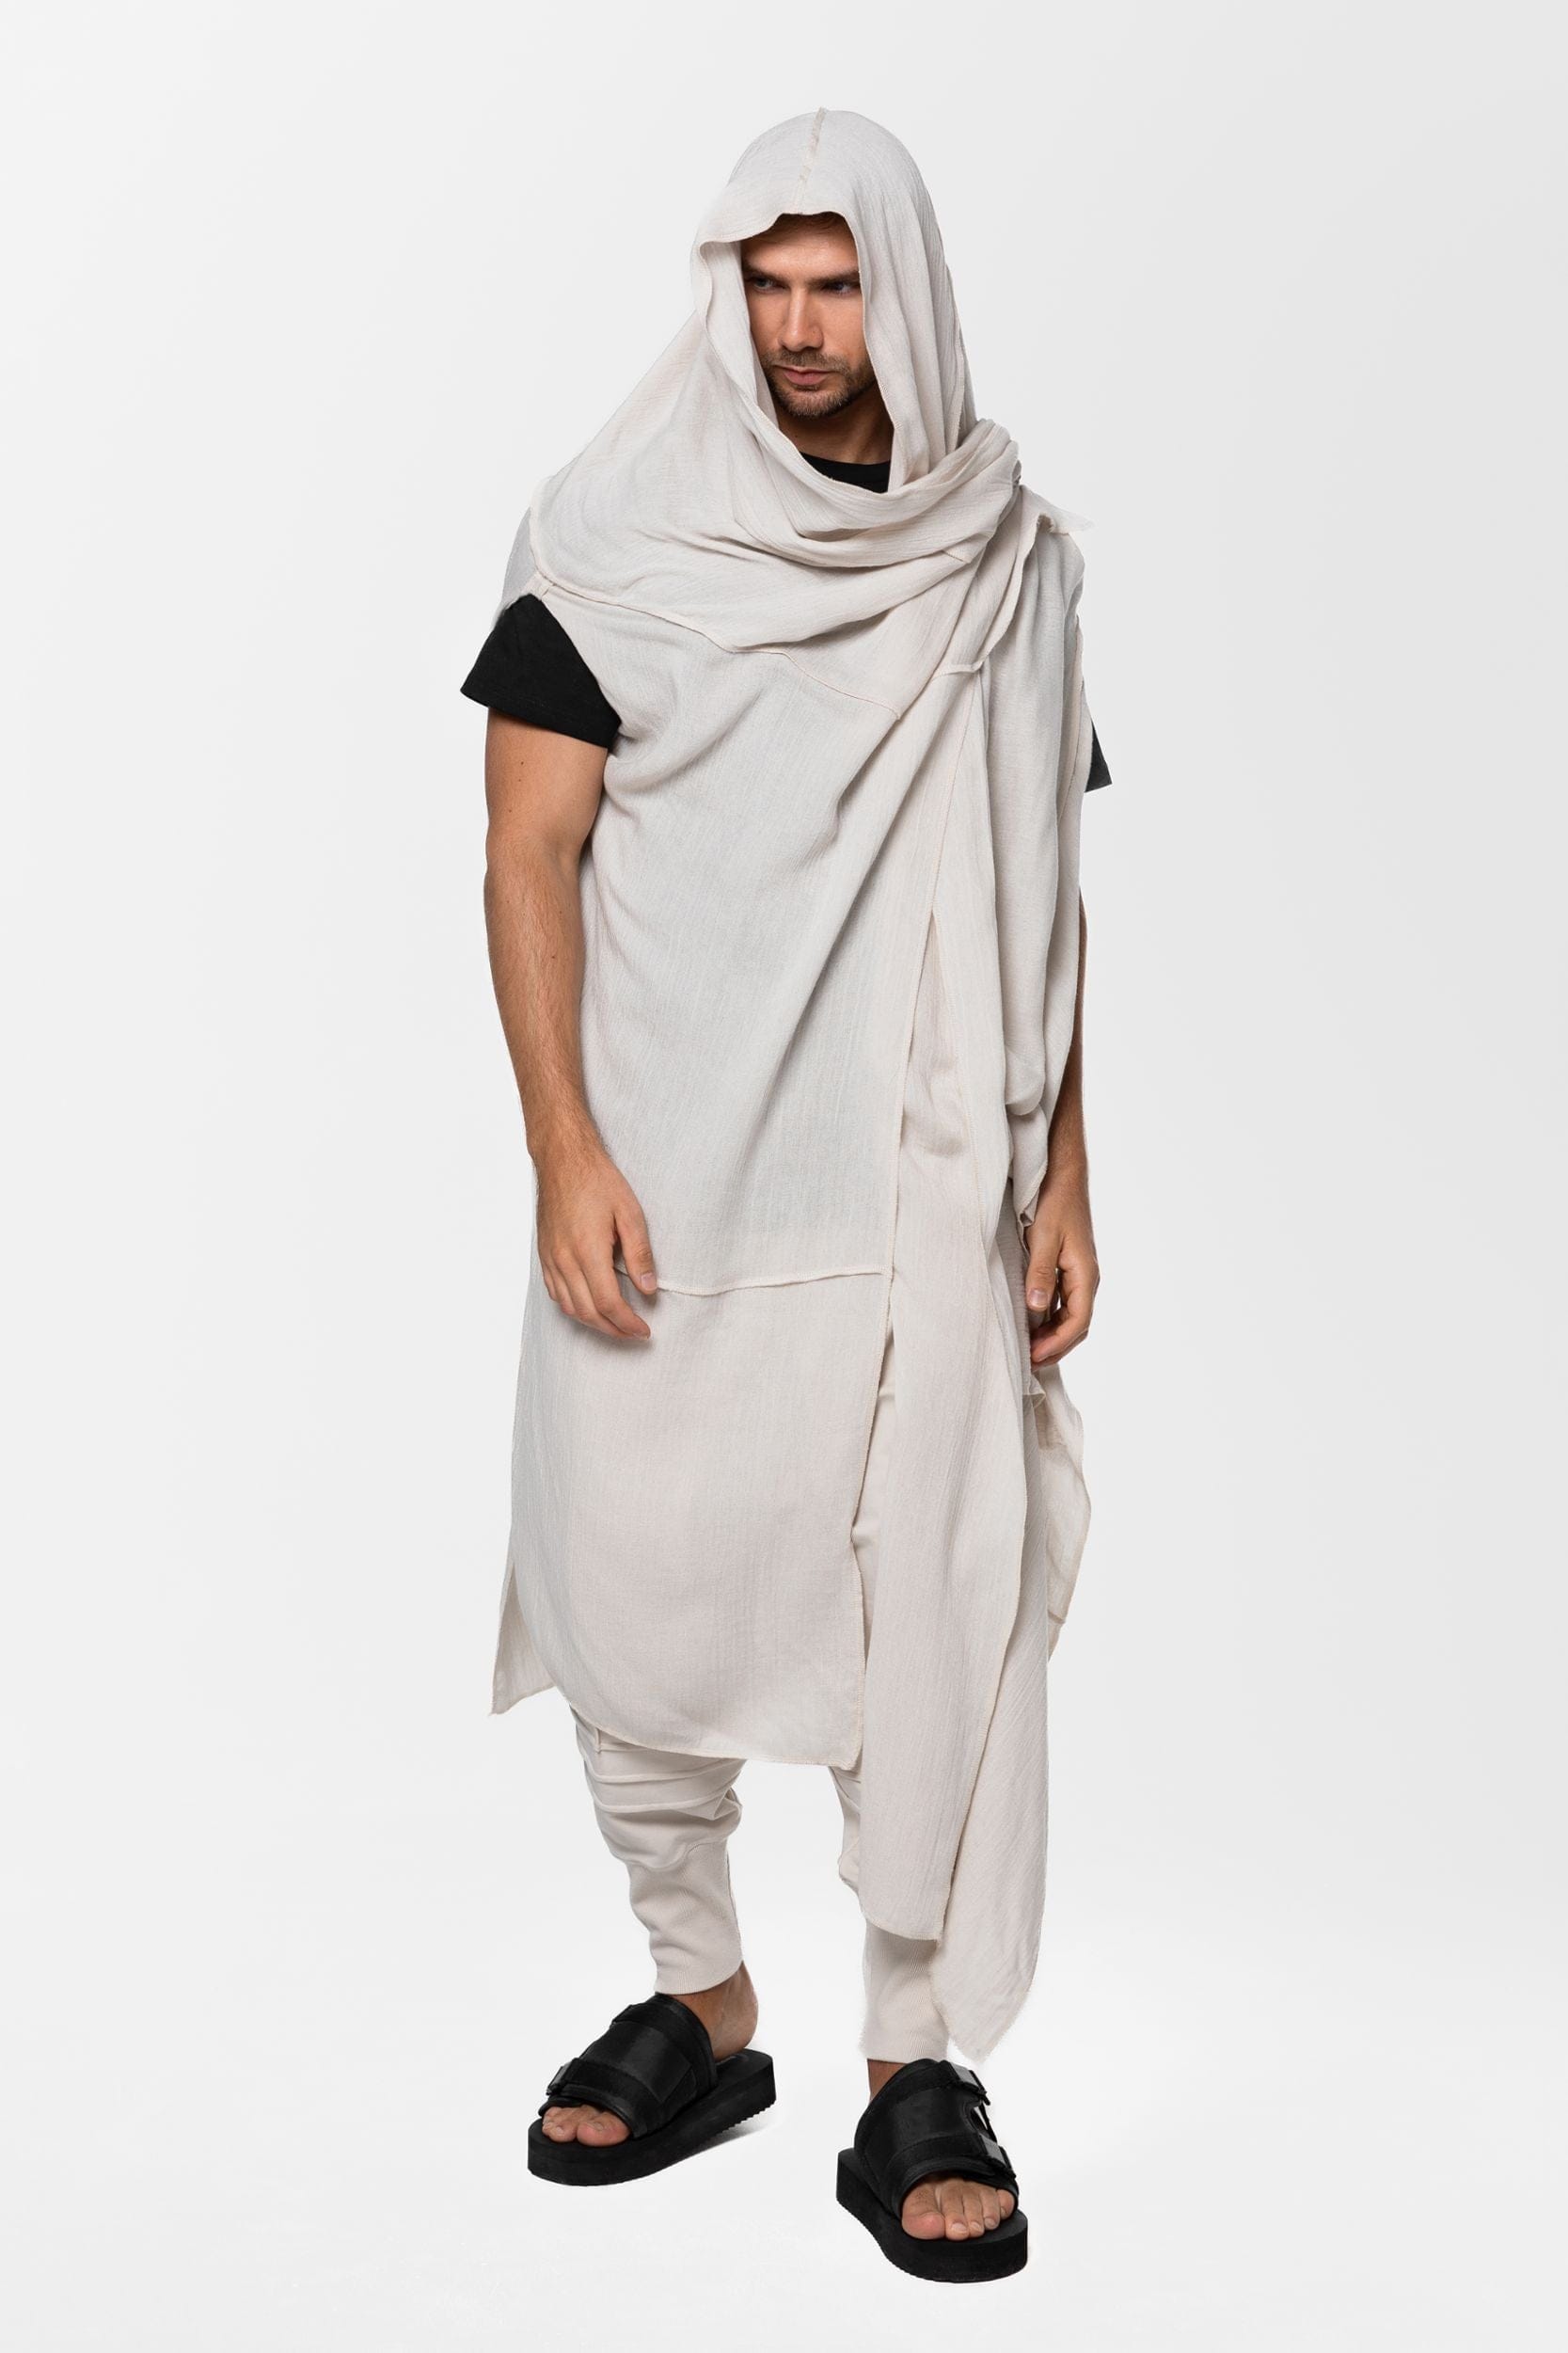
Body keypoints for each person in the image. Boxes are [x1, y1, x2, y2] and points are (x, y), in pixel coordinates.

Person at [462, 107, 1109, 2283]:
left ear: (901, 292)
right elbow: (527, 851)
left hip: (926, 1193)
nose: (802, 326)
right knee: (630, 1573)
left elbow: (1045, 889)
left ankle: (913, 2060)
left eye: (837, 283)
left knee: (930, 1601)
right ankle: (700, 1994)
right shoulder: (614, 537)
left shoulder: (1005, 563)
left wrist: (1066, 1170)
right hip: (669, 1169)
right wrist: (562, 1145)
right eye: (768, 282)